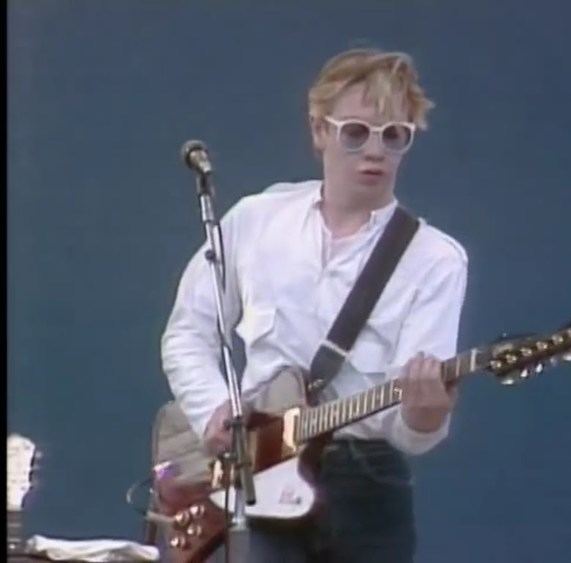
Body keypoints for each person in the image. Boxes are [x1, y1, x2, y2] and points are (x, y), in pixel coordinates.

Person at [161, 47, 468, 563]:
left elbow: (411, 435)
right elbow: (188, 333)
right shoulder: (255, 220)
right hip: (257, 471)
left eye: (394, 135)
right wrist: (215, 409)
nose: (375, 151)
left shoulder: (436, 259)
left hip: (367, 484)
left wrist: (425, 415)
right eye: (355, 132)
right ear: (319, 131)